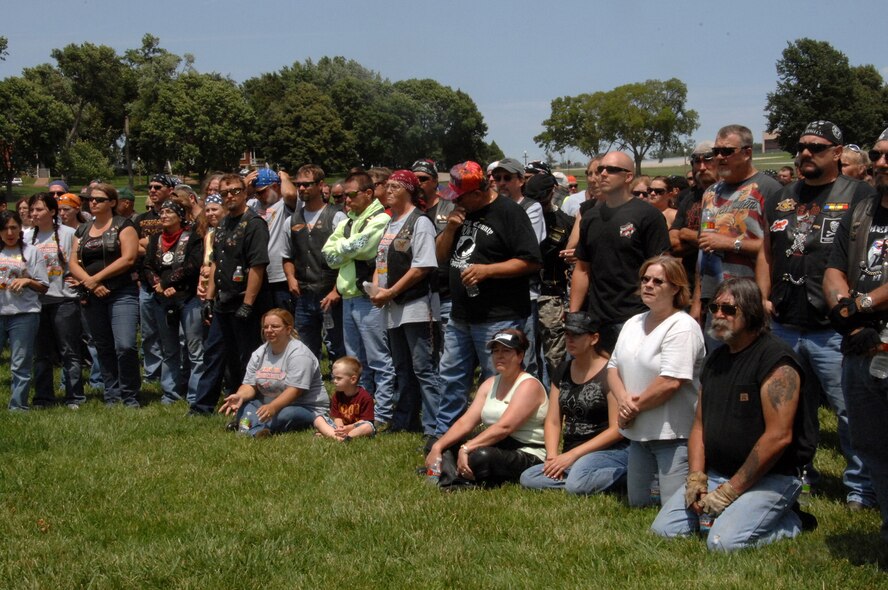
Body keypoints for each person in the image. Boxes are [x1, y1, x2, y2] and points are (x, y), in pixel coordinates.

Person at [756, 120, 877, 510]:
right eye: (802, 146)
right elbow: (765, 251)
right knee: (789, 408)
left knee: (849, 410)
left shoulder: (859, 194)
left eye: (817, 147)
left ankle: (862, 487)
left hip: (833, 325)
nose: (806, 152)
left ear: (838, 152)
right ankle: (798, 475)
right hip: (785, 320)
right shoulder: (783, 196)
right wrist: (763, 296)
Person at [652, 278, 816, 552]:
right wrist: (696, 479)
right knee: (664, 530)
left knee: (723, 543)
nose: (718, 314)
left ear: (751, 312)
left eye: (728, 309)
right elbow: (699, 426)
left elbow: (779, 437)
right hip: (719, 474)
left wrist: (730, 492)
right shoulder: (715, 360)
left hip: (771, 478)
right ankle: (739, 513)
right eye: (714, 307)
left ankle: (793, 520)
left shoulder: (777, 361)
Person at [432, 161, 542, 440]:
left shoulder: (509, 212)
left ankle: (499, 439)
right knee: (451, 377)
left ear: (479, 193)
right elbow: (440, 257)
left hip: (498, 315)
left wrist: (488, 270)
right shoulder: (460, 214)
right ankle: (445, 438)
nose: (455, 201)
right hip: (460, 314)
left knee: (498, 379)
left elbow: (531, 261)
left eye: (460, 196)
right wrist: (450, 230)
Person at [823, 126, 888, 542]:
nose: (880, 163)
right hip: (860, 345)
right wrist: (846, 309)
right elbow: (834, 267)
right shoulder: (863, 209)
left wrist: (861, 305)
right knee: (870, 444)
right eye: (877, 155)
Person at [607, 255, 705, 506]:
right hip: (639, 435)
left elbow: (671, 382)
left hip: (673, 436)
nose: (648, 285)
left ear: (675, 288)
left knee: (674, 510)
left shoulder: (682, 326)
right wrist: (623, 400)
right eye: (645, 279)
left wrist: (630, 409)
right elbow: (613, 368)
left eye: (658, 281)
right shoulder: (633, 322)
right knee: (639, 505)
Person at [569, 152, 671, 352]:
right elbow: (582, 269)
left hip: (636, 317)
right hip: (596, 319)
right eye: (600, 169)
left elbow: (663, 268)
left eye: (612, 170)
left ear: (628, 176)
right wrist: (574, 315)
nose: (603, 174)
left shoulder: (648, 215)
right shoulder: (590, 217)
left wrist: (660, 316)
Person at [520, 312, 628, 494]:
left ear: (594, 338)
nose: (570, 339)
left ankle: (629, 475)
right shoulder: (562, 370)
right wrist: (552, 457)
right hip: (572, 455)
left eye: (576, 334)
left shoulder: (610, 373)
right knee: (528, 477)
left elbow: (617, 429)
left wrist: (573, 455)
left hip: (607, 452)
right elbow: (553, 421)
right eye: (567, 334)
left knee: (576, 483)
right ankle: (582, 479)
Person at [425, 329, 548, 488]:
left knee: (481, 456)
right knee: (437, 442)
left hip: (526, 452)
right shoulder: (489, 383)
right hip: (496, 445)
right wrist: (438, 446)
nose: (499, 356)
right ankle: (452, 479)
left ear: (520, 356)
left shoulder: (529, 385)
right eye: (495, 351)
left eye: (506, 351)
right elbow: (465, 423)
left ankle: (452, 476)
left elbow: (504, 427)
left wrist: (466, 448)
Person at [191, 173, 270, 415]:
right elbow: (216, 263)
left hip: (245, 299)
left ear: (245, 193)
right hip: (222, 301)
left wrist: (248, 303)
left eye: (235, 191)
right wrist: (209, 298)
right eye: (225, 193)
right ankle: (202, 407)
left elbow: (257, 266)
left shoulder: (254, 223)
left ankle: (248, 404)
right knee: (214, 354)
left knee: (248, 356)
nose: (230, 196)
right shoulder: (223, 224)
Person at [322, 170, 396, 428]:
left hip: (369, 300)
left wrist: (344, 248)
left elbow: (366, 248)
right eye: (344, 195)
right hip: (348, 298)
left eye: (352, 194)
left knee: (379, 359)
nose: (346, 199)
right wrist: (349, 248)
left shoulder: (380, 218)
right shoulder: (348, 221)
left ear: (368, 193)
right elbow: (328, 255)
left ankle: (383, 413)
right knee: (355, 363)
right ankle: (362, 412)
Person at [369, 170, 440, 436]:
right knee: (402, 367)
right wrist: (376, 289)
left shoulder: (420, 222)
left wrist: (390, 292)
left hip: (417, 306)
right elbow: (381, 261)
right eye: (387, 186)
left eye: (394, 186)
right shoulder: (391, 222)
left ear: (409, 191)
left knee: (424, 368)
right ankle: (406, 421)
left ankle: (435, 425)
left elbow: (422, 266)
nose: (387, 190)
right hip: (392, 306)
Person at [696, 124, 781, 347]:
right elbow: (704, 249)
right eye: (716, 151)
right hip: (715, 299)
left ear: (747, 152)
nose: (719, 157)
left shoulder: (769, 189)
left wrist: (730, 243)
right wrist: (697, 300)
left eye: (727, 151)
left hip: (749, 301)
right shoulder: (710, 193)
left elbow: (776, 247)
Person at [68, 184, 141, 407]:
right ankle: (112, 394)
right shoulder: (82, 230)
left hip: (122, 292)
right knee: (103, 345)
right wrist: (91, 284)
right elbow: (73, 262)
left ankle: (130, 394)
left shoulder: (123, 225)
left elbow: (128, 258)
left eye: (99, 199)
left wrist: (96, 278)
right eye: (90, 199)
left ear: (112, 202)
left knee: (125, 345)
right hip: (93, 295)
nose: (93, 202)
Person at [218, 308, 329, 437]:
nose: (269, 330)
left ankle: (248, 427)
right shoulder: (259, 353)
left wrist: (273, 407)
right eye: (266, 327)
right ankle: (256, 429)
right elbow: (250, 385)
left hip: (304, 407)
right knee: (247, 405)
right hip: (268, 404)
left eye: (275, 326)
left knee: (285, 415)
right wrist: (240, 396)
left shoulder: (300, 354)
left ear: (288, 329)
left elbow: (295, 391)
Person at [282, 164, 346, 362]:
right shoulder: (291, 220)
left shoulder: (337, 216)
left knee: (337, 346)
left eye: (307, 184)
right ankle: (309, 380)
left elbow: (347, 260)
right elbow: (287, 256)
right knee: (305, 349)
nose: (301, 188)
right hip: (303, 295)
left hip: (330, 294)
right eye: (298, 184)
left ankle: (340, 380)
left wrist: (336, 291)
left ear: (320, 185)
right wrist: (290, 278)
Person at [143, 199, 205, 405]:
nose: (164, 215)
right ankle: (170, 393)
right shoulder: (155, 240)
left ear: (180, 216)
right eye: (162, 212)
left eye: (169, 212)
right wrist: (158, 284)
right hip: (162, 299)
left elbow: (193, 265)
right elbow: (148, 265)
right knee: (169, 349)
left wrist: (169, 283)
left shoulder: (192, 238)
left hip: (188, 297)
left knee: (194, 349)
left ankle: (195, 394)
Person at [26, 193, 83, 409]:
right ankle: (43, 397)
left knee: (69, 351)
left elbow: (80, 261)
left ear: (52, 212)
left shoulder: (68, 234)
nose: (34, 213)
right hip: (36, 302)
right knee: (41, 353)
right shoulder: (26, 236)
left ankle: (74, 396)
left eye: (39, 209)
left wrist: (78, 279)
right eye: (32, 210)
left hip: (64, 300)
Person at [1, 211, 49, 410]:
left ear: (20, 229)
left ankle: (18, 406)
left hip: (24, 314)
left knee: (20, 363)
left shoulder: (32, 252)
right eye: (4, 228)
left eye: (13, 227)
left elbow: (44, 286)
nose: (9, 233)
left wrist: (27, 281)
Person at [136, 173, 177, 384]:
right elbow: (134, 246)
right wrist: (156, 246)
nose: (152, 190)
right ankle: (152, 373)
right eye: (150, 187)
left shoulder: (177, 213)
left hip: (173, 283)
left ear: (170, 190)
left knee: (172, 333)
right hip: (147, 284)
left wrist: (150, 245)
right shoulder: (141, 219)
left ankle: (174, 374)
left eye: (158, 187)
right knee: (149, 332)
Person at [314, 356, 376, 442]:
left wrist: (348, 428)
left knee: (368, 427)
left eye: (338, 378)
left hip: (356, 428)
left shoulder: (365, 397)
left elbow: (365, 420)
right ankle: (339, 438)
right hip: (340, 427)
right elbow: (337, 417)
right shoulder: (337, 395)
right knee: (318, 419)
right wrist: (340, 428)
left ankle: (343, 436)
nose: (334, 381)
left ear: (353, 379)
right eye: (334, 377)